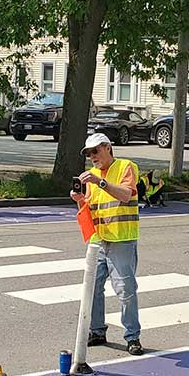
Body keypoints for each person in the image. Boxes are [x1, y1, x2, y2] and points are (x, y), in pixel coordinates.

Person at [70, 132, 143, 356]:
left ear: (108, 148)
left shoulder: (126, 167)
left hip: (121, 239)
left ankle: (132, 337)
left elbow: (125, 195)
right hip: (98, 241)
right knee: (92, 289)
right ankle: (97, 331)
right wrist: (79, 200)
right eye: (89, 153)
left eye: (96, 151)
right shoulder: (89, 176)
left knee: (126, 290)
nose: (92, 156)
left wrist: (100, 182)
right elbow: (89, 211)